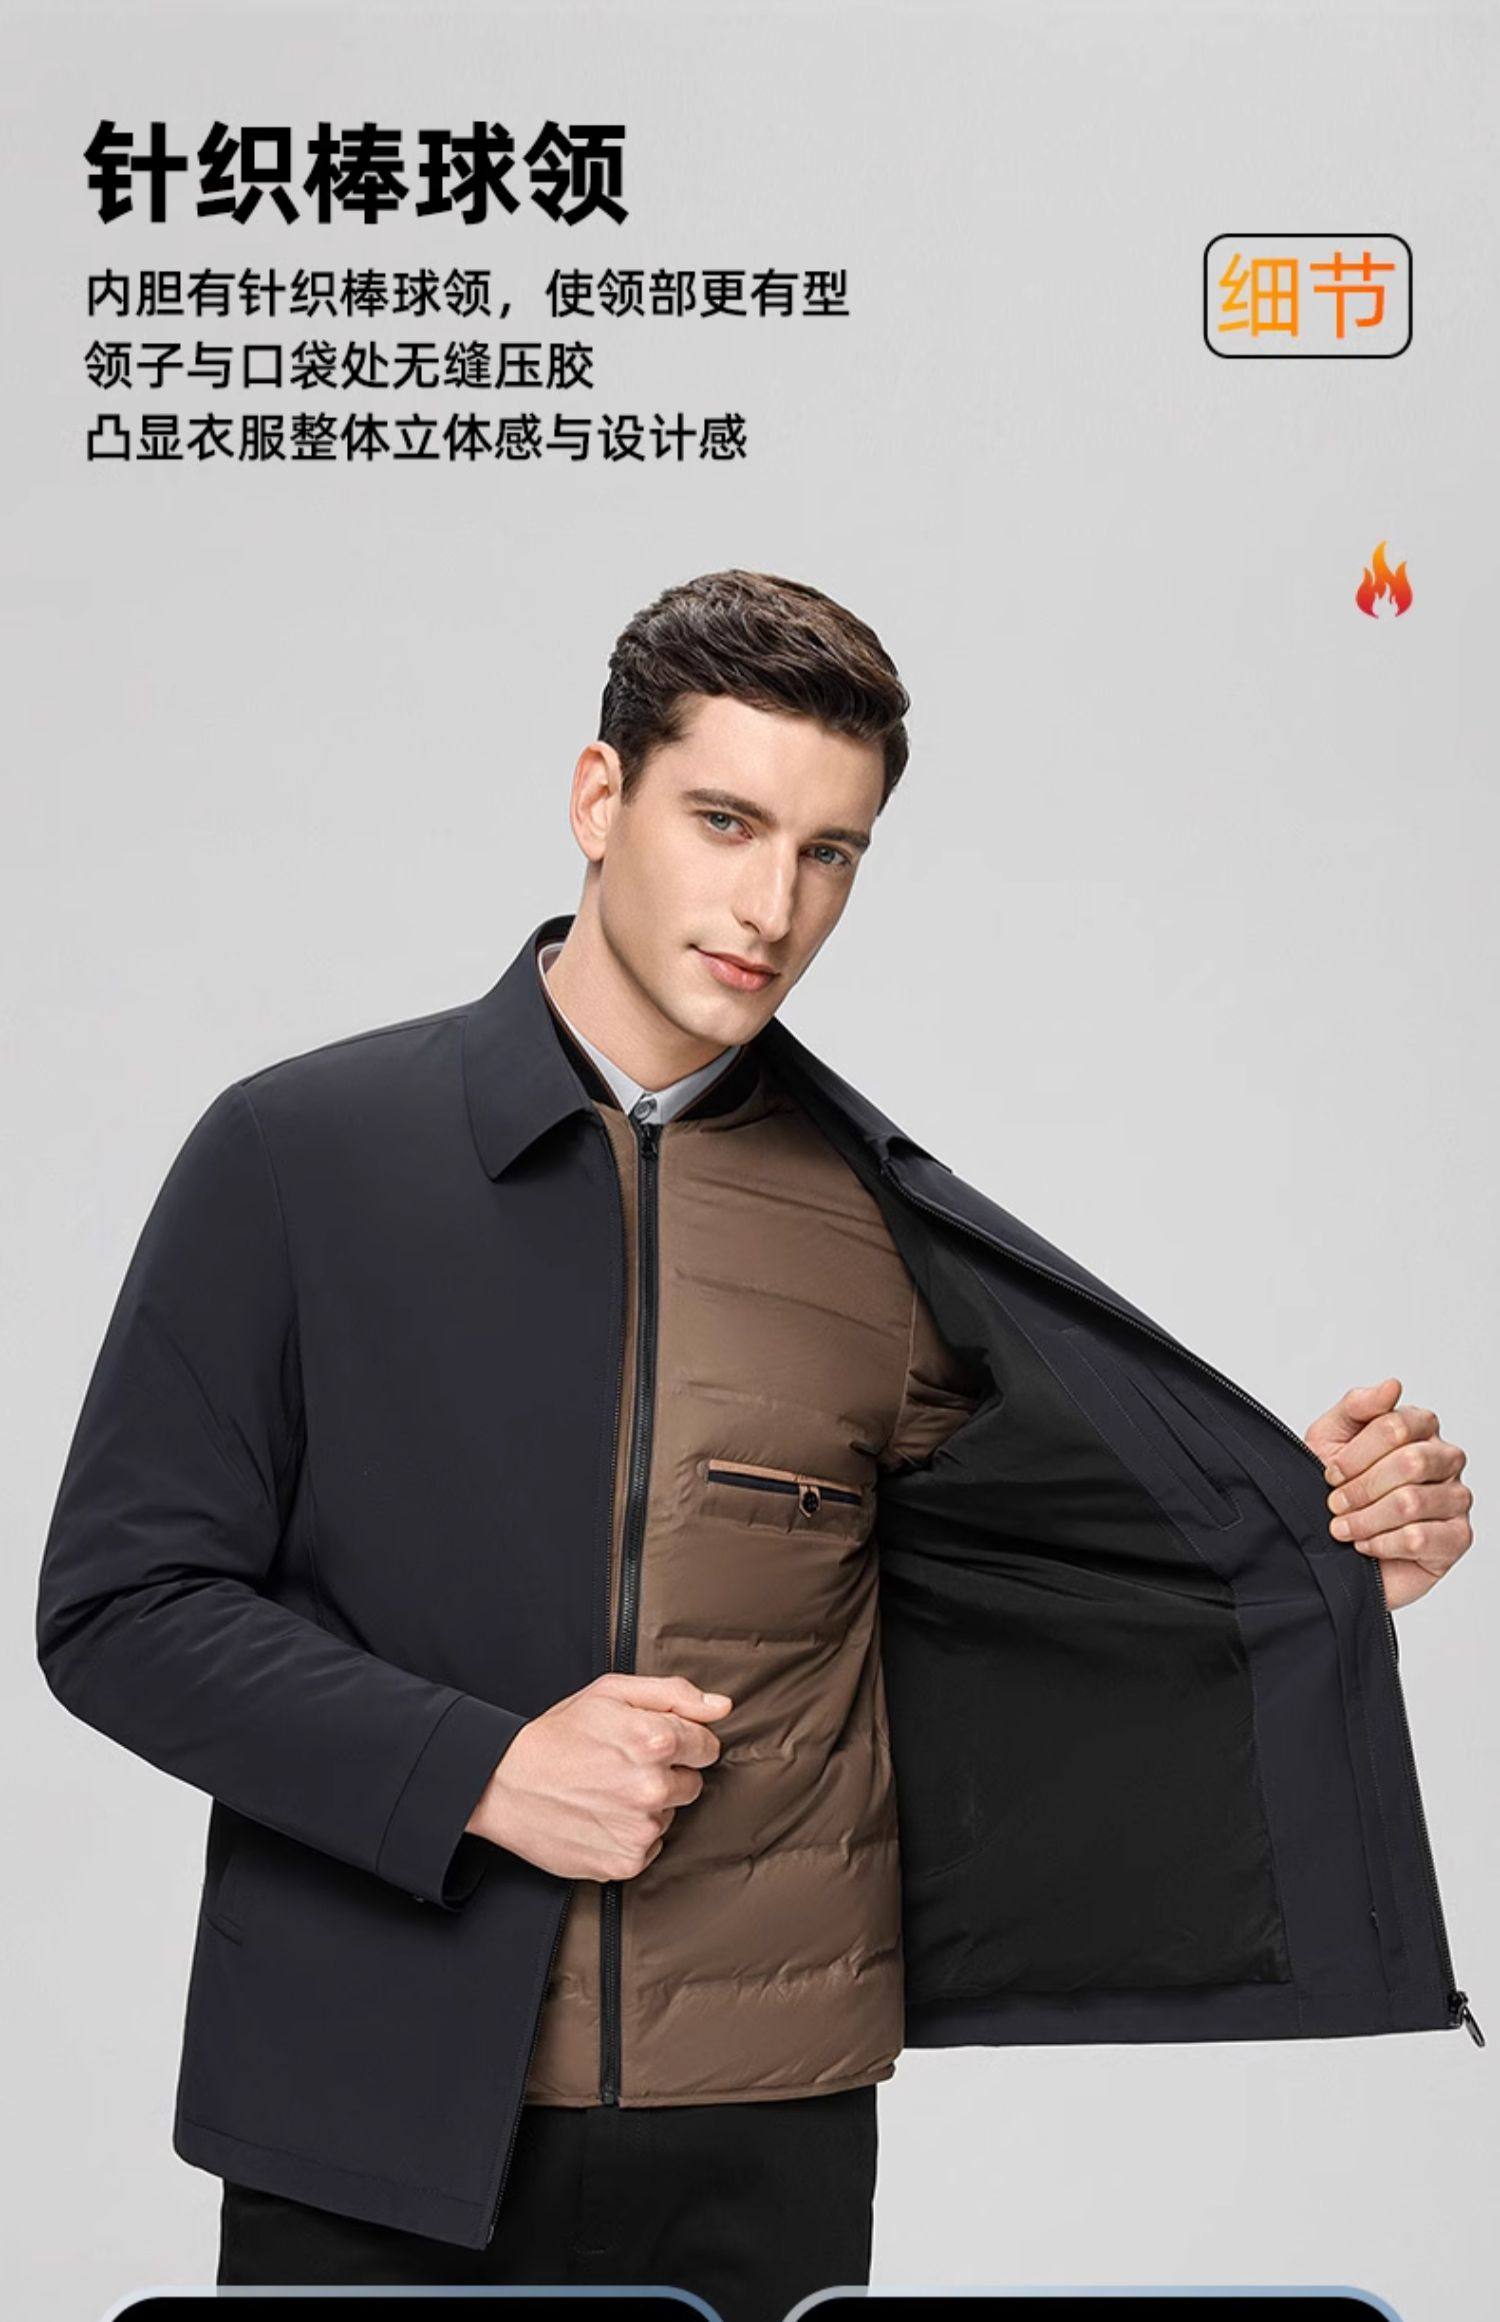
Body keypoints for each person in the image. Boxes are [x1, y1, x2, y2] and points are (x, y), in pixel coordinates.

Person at [36, 570, 1476, 2322]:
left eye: (830, 851)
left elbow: (1043, 1587)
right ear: (599, 797)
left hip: (765, 2141)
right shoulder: (298, 1157)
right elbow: (119, 1605)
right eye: (725, 820)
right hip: (364, 2111)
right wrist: (482, 1769)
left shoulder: (876, 1226)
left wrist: (1326, 1542)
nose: (773, 905)